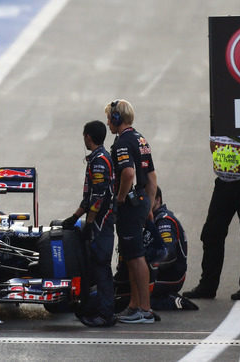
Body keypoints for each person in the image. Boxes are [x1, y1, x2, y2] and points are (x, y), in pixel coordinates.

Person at [184, 135, 240, 301]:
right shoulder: (220, 113)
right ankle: (208, 285)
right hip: (224, 181)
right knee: (211, 233)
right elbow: (213, 143)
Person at [106, 99, 157, 324]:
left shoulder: (123, 142)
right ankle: (135, 305)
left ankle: (144, 309)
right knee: (131, 255)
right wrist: (148, 206)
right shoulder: (140, 138)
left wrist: (120, 198)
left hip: (130, 206)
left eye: (110, 118)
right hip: (142, 203)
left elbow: (127, 173)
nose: (108, 122)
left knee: (135, 257)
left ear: (117, 119)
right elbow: (152, 177)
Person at [61, 120, 115, 328]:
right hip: (99, 219)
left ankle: (106, 314)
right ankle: (100, 309)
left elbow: (99, 196)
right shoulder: (96, 159)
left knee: (101, 266)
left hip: (102, 221)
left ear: (88, 137)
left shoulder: (100, 161)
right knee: (96, 266)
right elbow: (90, 197)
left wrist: (90, 222)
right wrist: (75, 217)